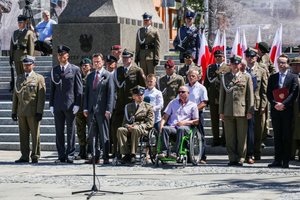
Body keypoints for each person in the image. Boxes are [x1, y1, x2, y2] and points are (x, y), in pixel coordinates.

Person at [49, 45, 83, 163]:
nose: (60, 57)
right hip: (58, 105)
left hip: (70, 104)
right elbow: (52, 89)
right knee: (59, 131)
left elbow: (78, 89)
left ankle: (70, 154)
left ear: (67, 56)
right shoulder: (55, 70)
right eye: (59, 55)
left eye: (62, 55)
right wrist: (51, 104)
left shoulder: (75, 69)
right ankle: (61, 155)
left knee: (70, 131)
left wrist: (77, 104)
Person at [219, 55, 254, 166]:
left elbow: (250, 95)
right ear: (230, 64)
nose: (235, 65)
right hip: (228, 110)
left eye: (237, 63)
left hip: (241, 110)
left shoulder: (246, 77)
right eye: (233, 63)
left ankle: (241, 158)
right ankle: (232, 158)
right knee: (230, 137)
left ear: (240, 65)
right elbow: (222, 96)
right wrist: (221, 111)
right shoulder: (225, 77)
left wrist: (250, 111)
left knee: (241, 136)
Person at [111, 49, 146, 157]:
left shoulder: (137, 70)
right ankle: (117, 151)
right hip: (120, 104)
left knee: (129, 128)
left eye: (127, 58)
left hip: (132, 105)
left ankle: (129, 154)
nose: (125, 60)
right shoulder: (119, 70)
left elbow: (143, 87)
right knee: (116, 126)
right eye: (124, 58)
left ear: (131, 59)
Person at [11, 55, 46, 163]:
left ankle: (35, 155)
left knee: (35, 135)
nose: (26, 67)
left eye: (28, 65)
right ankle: (24, 156)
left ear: (33, 65)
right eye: (25, 65)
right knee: (23, 135)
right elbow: (15, 95)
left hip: (33, 111)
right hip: (21, 111)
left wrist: (39, 111)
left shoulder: (39, 78)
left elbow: (41, 97)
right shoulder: (19, 78)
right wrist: (14, 111)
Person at [267, 54, 299, 168]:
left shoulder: (293, 77)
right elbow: (269, 93)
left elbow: (293, 94)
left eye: (283, 62)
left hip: (287, 110)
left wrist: (283, 104)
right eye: (279, 62)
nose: (281, 64)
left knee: (286, 136)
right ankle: (277, 160)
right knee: (277, 136)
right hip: (276, 110)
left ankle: (286, 161)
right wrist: (275, 104)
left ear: (288, 64)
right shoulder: (273, 77)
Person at [83, 53, 115, 164]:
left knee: (104, 135)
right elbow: (86, 93)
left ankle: (105, 156)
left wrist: (109, 109)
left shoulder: (108, 75)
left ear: (103, 62)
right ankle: (95, 156)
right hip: (92, 110)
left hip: (103, 110)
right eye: (94, 62)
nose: (96, 63)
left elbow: (111, 94)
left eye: (98, 61)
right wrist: (85, 108)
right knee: (92, 135)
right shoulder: (90, 76)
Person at [158, 86, 199, 160]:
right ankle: (163, 152)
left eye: (183, 92)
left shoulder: (193, 105)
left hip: (185, 127)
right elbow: (165, 117)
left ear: (188, 93)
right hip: (173, 127)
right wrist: (161, 126)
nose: (180, 93)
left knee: (181, 129)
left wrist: (185, 122)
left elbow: (196, 121)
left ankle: (175, 152)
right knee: (165, 128)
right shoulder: (173, 102)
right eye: (179, 92)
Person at [117, 85, 154, 164]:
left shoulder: (148, 107)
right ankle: (126, 154)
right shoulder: (128, 107)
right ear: (133, 96)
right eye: (137, 95)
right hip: (130, 127)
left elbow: (150, 123)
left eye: (141, 95)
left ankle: (133, 154)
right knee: (120, 130)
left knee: (135, 129)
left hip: (142, 129)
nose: (140, 97)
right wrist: (128, 126)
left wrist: (138, 126)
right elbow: (124, 122)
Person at [244, 48, 268, 163]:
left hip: (257, 104)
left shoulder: (262, 70)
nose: (250, 58)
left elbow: (264, 90)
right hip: (244, 105)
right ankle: (247, 153)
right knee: (246, 130)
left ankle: (256, 152)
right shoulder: (242, 69)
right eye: (248, 56)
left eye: (252, 56)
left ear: (256, 57)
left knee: (257, 130)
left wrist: (263, 105)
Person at [204, 50, 230, 146]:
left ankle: (225, 139)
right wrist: (206, 98)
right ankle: (216, 139)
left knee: (224, 120)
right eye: (216, 56)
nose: (218, 58)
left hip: (224, 98)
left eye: (220, 56)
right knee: (214, 120)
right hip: (212, 97)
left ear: (223, 57)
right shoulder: (210, 67)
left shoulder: (228, 68)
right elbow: (206, 84)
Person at [186, 69, 208, 164]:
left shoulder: (201, 88)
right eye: (190, 75)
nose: (191, 77)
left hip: (198, 113)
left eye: (193, 76)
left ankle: (202, 156)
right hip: (185, 114)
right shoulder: (184, 87)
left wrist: (194, 110)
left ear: (198, 77)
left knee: (200, 135)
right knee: (186, 134)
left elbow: (204, 102)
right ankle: (187, 156)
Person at [75, 57, 92, 160]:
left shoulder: (92, 77)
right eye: (82, 66)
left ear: (90, 66)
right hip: (80, 107)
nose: (84, 67)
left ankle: (90, 150)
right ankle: (82, 151)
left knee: (90, 130)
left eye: (86, 65)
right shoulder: (78, 77)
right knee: (80, 130)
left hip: (90, 108)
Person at [290, 57, 300, 161]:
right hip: (289, 108)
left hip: (298, 109)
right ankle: (290, 153)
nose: (296, 66)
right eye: (294, 65)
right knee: (291, 132)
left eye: (298, 65)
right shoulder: (287, 77)